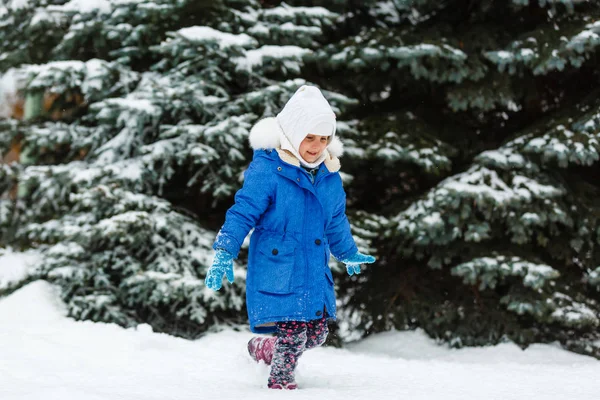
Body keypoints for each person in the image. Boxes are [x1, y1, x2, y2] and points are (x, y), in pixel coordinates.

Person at [205, 85, 376, 390]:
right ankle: (281, 384)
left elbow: (335, 220)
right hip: (278, 267)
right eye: (309, 137)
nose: (316, 146)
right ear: (292, 132)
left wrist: (347, 252)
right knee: (294, 332)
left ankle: (266, 349)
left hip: (312, 269)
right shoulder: (269, 169)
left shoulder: (329, 175)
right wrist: (224, 251)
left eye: (324, 139)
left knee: (317, 333)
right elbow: (243, 212)